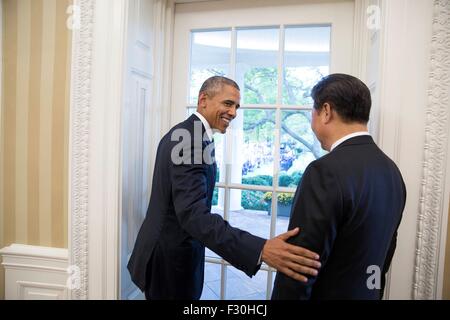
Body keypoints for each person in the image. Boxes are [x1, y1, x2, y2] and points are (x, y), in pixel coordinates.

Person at [128, 76, 321, 300]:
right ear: (203, 100)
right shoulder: (190, 139)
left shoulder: (188, 133)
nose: (233, 113)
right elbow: (194, 215)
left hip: (173, 256)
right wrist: (260, 249)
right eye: (228, 104)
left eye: (236, 107)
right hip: (170, 262)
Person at [271, 74, 406, 300]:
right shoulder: (392, 172)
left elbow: (300, 266)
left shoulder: (324, 172)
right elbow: (383, 258)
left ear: (326, 111)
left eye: (312, 112)